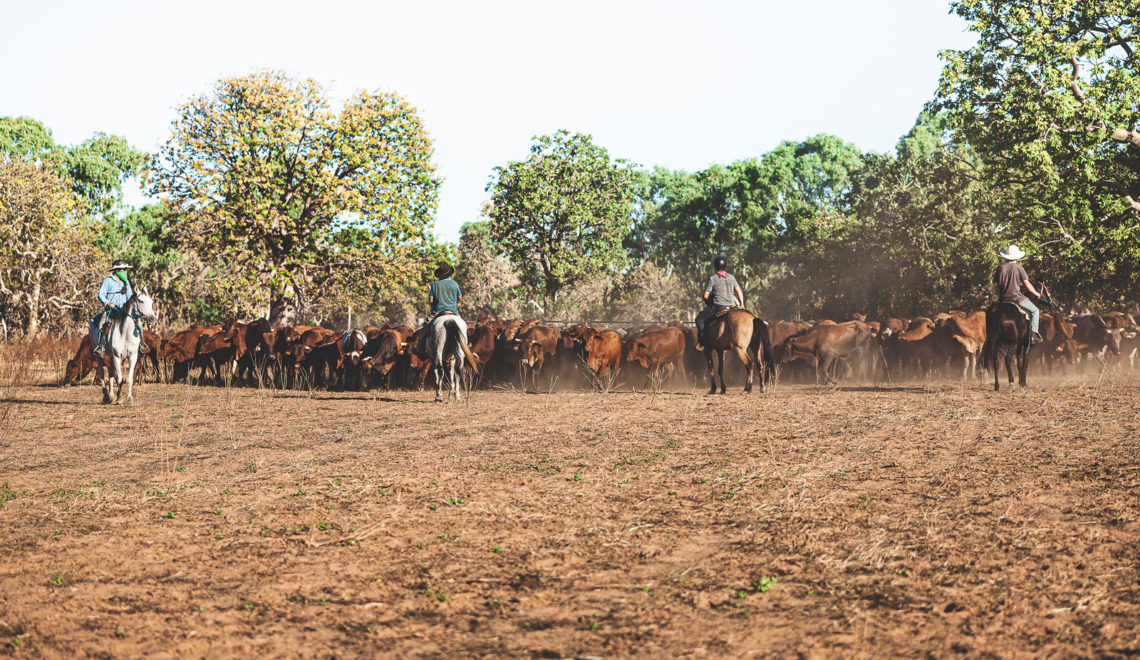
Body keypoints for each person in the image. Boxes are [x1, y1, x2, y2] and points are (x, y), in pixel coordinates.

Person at [994, 244, 1043, 345]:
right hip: (1017, 298)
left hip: (1003, 299)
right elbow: (1027, 284)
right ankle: (1034, 335)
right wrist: (1036, 293)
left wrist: (1001, 294)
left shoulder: (1000, 268)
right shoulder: (1019, 268)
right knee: (1035, 311)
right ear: (1017, 257)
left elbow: (997, 284)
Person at [694, 255, 745, 351]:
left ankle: (702, 342)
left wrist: (708, 302)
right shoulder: (731, 277)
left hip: (717, 306)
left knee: (699, 320)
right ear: (725, 266)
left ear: (715, 266)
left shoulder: (713, 278)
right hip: (731, 306)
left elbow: (705, 295)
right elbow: (739, 291)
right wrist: (741, 304)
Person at [416, 261, 463, 355]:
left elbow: (431, 300)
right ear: (449, 273)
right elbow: (460, 298)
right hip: (453, 311)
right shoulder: (454, 284)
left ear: (440, 275)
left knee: (425, 327)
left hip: (437, 312)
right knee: (462, 327)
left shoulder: (435, 284)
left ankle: (419, 347)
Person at [90, 259, 134, 356]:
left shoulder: (126, 282)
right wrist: (108, 303)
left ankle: (141, 344)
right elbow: (101, 295)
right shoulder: (108, 281)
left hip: (124, 310)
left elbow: (130, 296)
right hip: (112, 310)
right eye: (123, 269)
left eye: (126, 269)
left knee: (138, 324)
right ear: (117, 270)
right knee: (103, 323)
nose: (125, 271)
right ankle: (100, 346)